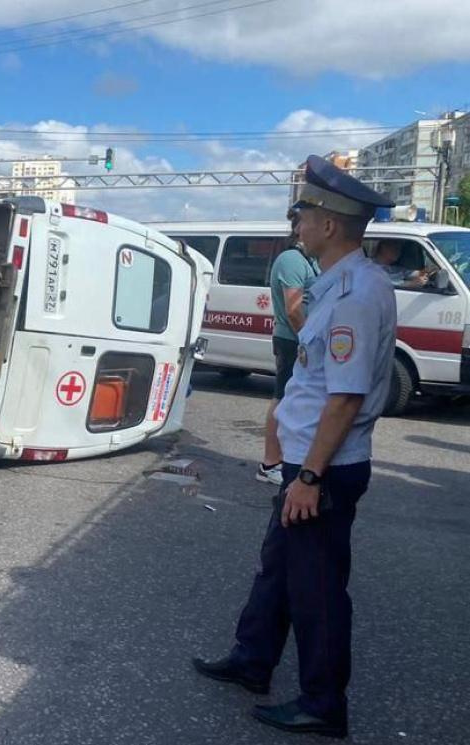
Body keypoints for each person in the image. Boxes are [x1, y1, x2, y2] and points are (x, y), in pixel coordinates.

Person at [193, 155, 396, 739]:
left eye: (304, 211)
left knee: (318, 591)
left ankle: (323, 704)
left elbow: (345, 398)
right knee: (277, 570)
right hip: (309, 466)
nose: (297, 220)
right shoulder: (338, 284)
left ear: (330, 224)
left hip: (324, 471)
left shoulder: (354, 295)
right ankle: (252, 660)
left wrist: (308, 478)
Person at [258, 218, 320, 485]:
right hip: (293, 339)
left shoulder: (309, 259)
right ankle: (270, 463)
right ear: (298, 227)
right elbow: (294, 310)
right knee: (282, 398)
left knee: (295, 400)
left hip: (303, 337)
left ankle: (289, 458)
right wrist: (309, 342)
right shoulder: (292, 259)